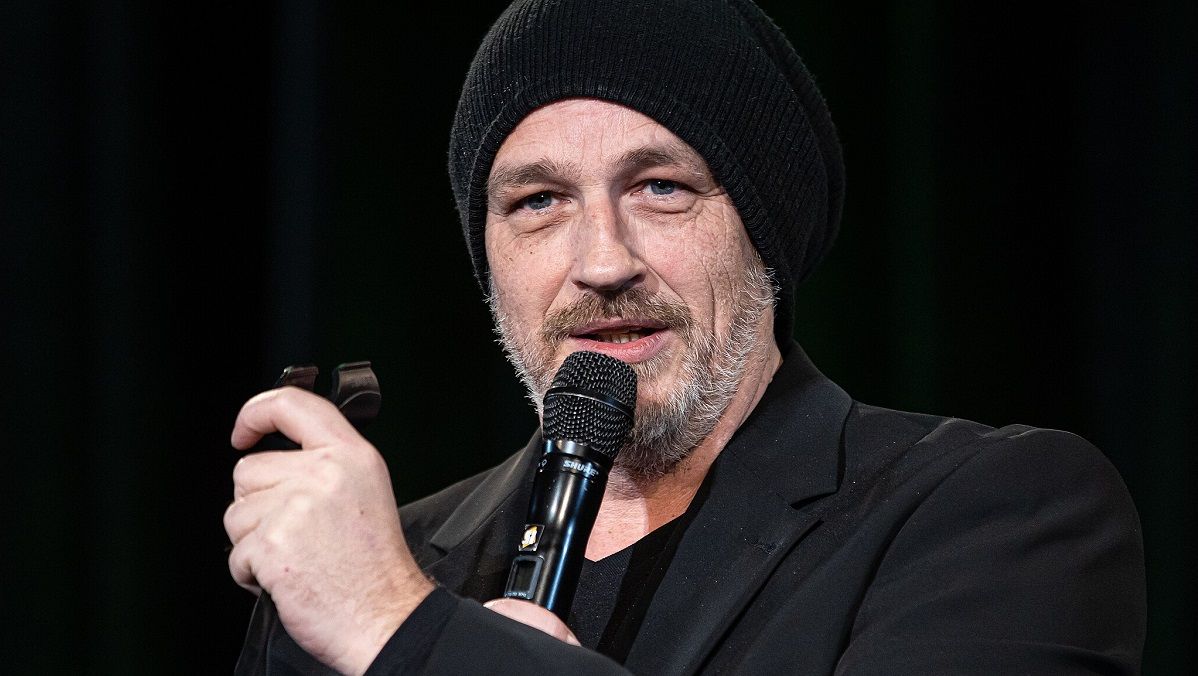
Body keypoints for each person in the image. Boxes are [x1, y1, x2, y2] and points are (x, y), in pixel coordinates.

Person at [224, 0, 1147, 673]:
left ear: (762, 235)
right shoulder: (384, 558)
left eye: (661, 187)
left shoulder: (996, 515)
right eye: (539, 202)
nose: (602, 261)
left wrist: (404, 630)